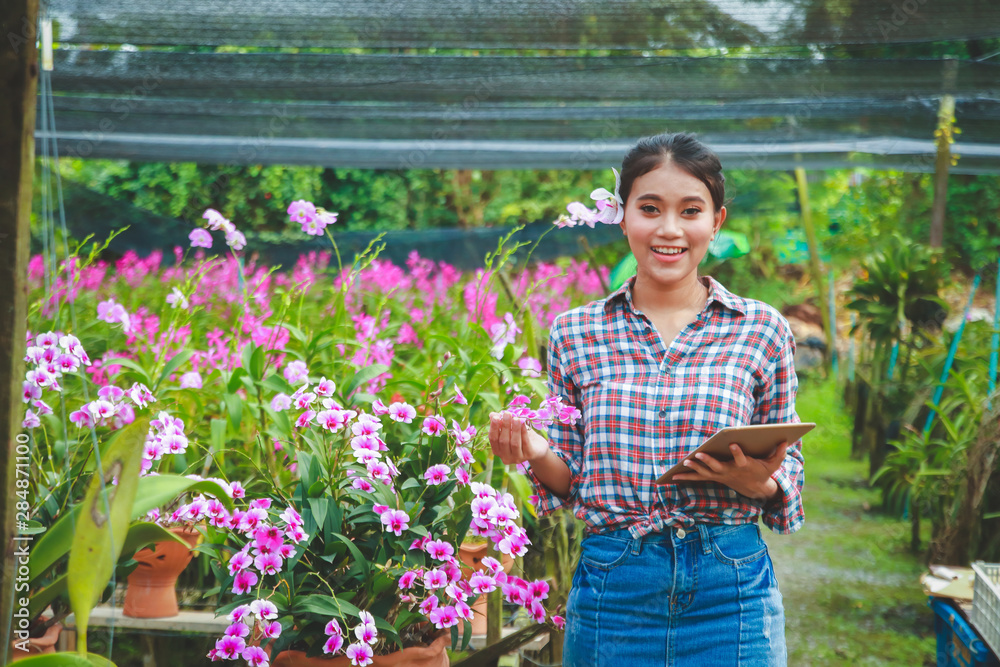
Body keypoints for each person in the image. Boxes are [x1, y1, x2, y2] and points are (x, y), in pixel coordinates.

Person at [488, 132, 804, 666]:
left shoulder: (761, 330)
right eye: (650, 208)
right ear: (623, 215)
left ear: (717, 222)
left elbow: (788, 462)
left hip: (731, 589)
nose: (670, 229)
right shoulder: (575, 333)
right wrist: (535, 451)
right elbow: (569, 476)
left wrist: (764, 483)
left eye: (691, 210)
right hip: (615, 587)